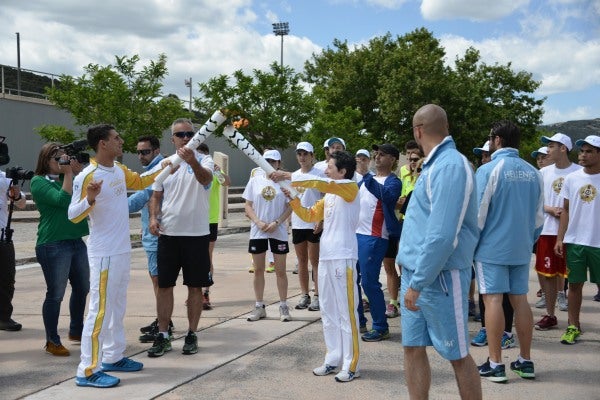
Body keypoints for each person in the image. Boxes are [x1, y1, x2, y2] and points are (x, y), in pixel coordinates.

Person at [397, 104, 481, 400]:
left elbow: (443, 236)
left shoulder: (450, 166)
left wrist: (418, 282)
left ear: (418, 131)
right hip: (416, 274)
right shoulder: (434, 164)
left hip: (440, 278)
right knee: (412, 347)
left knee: (457, 354)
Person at [69, 124, 164, 388]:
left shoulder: (119, 170)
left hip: (122, 250)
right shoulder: (87, 176)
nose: (121, 141)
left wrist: (169, 165)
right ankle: (87, 370)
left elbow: (142, 181)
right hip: (104, 253)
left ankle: (113, 356)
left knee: (117, 307)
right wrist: (90, 199)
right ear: (103, 143)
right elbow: (73, 215)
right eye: (116, 138)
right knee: (99, 311)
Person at [474, 120, 543, 383]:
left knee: (492, 300)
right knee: (520, 300)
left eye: (490, 137)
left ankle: (495, 363)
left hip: (491, 248)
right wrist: (527, 240)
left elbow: (478, 215)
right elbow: (539, 218)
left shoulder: (488, 170)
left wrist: (472, 245)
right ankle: (525, 360)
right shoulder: (534, 172)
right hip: (521, 247)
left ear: (498, 139)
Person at [284, 150, 361, 382]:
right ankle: (332, 358)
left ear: (342, 171)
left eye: (329, 166)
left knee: (347, 313)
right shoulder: (328, 196)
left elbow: (320, 182)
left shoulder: (350, 188)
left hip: (344, 257)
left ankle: (351, 364)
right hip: (326, 258)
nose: (325, 170)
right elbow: (308, 215)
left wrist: (289, 176)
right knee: (328, 311)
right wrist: (292, 198)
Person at [146, 118, 214, 358]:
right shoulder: (165, 164)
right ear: (172, 139)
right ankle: (163, 335)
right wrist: (153, 218)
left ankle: (192, 334)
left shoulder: (205, 160)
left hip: (196, 235)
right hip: (169, 234)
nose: (186, 138)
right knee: (164, 286)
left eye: (189, 134)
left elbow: (206, 180)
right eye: (180, 135)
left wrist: (192, 161)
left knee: (195, 287)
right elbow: (156, 194)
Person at [30, 143, 89, 356]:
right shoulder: (38, 181)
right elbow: (63, 200)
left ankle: (76, 330)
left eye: (64, 158)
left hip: (76, 240)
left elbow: (84, 198)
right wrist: (69, 174)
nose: (62, 162)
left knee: (83, 287)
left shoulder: (68, 177)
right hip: (53, 244)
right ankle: (52, 340)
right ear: (45, 160)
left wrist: (78, 174)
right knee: (56, 293)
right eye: (58, 159)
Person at [127, 135, 173, 343]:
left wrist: (110, 205)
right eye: (138, 152)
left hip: (157, 235)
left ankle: (164, 324)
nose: (140, 156)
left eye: (145, 152)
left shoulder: (158, 171)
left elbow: (138, 200)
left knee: (159, 281)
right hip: (153, 234)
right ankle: (163, 320)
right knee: (157, 280)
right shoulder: (153, 170)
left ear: (156, 151)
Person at [470, 140, 516, 350]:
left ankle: (504, 333)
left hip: (497, 243)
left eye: (487, 154)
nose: (484, 159)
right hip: (495, 243)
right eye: (482, 155)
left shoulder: (501, 175)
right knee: (487, 291)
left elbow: (480, 215)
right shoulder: (482, 174)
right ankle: (487, 328)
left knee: (502, 294)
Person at [554, 135, 600, 344]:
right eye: (582, 151)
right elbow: (565, 210)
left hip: (598, 243)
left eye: (589, 151)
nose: (583, 155)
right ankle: (573, 326)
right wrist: (560, 238)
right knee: (574, 285)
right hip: (576, 242)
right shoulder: (572, 178)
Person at [533, 133, 580, 330]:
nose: (547, 150)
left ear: (563, 148)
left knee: (574, 277)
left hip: (573, 233)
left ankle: (573, 321)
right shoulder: (543, 173)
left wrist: (569, 213)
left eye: (551, 146)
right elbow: (536, 201)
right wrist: (550, 209)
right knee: (549, 275)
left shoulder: (578, 172)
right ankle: (550, 315)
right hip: (547, 231)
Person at [357, 143, 401, 342]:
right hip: (357, 235)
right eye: (376, 153)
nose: (377, 157)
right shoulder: (367, 180)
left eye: (382, 154)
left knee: (369, 282)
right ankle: (359, 320)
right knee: (352, 280)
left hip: (375, 237)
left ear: (392, 159)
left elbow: (387, 196)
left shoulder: (394, 182)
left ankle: (380, 326)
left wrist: (366, 176)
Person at [243, 149, 293, 322]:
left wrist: (277, 222)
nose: (270, 164)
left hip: (277, 231)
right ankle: (259, 306)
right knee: (258, 270)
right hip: (258, 230)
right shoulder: (255, 180)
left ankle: (283, 306)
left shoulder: (285, 182)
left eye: (273, 161)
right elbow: (248, 205)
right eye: (267, 161)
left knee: (280, 271)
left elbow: (291, 205)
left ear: (278, 163)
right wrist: (258, 222)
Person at [198, 143, 231, 310]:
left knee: (206, 256)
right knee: (193, 258)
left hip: (210, 220)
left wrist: (218, 171)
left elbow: (227, 183)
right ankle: (195, 293)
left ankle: (205, 292)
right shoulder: (192, 169)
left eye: (202, 155)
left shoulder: (214, 170)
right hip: (194, 219)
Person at [0, 161, 29, 331]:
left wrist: (16, 195)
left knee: (7, 278)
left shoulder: (5, 178)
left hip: (3, 237)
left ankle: (3, 317)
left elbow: (22, 203)